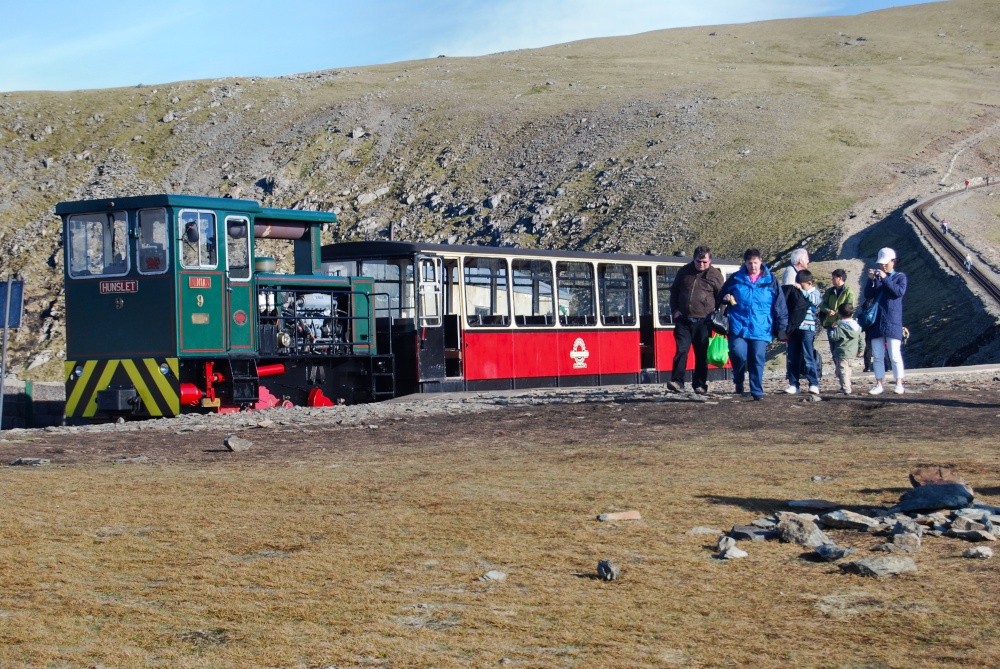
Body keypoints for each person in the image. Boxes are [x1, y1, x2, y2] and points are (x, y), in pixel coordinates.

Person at [719, 248, 788, 401]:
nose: (753, 266)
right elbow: (720, 294)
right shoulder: (736, 278)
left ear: (760, 261)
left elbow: (780, 304)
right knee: (738, 354)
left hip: (761, 327)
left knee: (757, 357)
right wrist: (725, 298)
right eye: (750, 263)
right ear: (745, 263)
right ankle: (738, 377)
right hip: (738, 325)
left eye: (755, 263)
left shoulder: (771, 280)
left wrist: (782, 326)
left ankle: (757, 391)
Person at [667, 245, 725, 394]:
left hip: (703, 322)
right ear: (694, 260)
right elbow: (674, 292)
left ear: (710, 261)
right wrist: (675, 311)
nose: (702, 265)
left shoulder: (715, 275)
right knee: (682, 351)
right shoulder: (684, 271)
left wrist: (717, 317)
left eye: (705, 262)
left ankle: (699, 385)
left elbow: (722, 297)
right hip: (684, 320)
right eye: (699, 261)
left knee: (701, 354)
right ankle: (677, 382)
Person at [865, 247, 908, 395]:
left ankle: (899, 383)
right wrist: (871, 281)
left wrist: (884, 278)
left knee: (894, 354)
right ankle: (879, 384)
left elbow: (898, 292)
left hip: (892, 320)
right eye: (880, 263)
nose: (882, 266)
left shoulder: (900, 277)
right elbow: (868, 295)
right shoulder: (877, 277)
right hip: (877, 321)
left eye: (885, 263)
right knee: (877, 355)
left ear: (893, 261)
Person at [782, 269, 822, 395]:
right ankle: (794, 384)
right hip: (795, 329)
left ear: (809, 283)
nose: (800, 286)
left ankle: (813, 383)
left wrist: (801, 291)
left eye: (802, 284)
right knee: (792, 357)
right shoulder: (799, 291)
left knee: (808, 356)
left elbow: (814, 301)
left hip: (807, 330)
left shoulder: (815, 293)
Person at [828, 302, 863, 394]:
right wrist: (861, 350)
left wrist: (833, 328)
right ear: (852, 314)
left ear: (839, 314)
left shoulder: (840, 327)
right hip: (852, 352)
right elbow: (861, 339)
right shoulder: (857, 327)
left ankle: (846, 388)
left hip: (842, 352)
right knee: (848, 370)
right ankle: (845, 386)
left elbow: (833, 337)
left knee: (842, 371)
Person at [820, 269, 855, 359]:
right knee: (833, 348)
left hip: (843, 325)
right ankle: (838, 368)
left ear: (840, 278)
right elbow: (821, 304)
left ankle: (842, 368)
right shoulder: (829, 291)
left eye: (833, 278)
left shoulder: (848, 291)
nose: (832, 280)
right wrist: (828, 310)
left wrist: (839, 321)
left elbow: (849, 308)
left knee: (842, 347)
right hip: (830, 324)